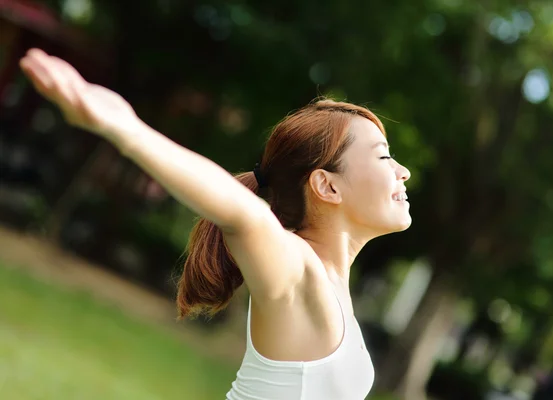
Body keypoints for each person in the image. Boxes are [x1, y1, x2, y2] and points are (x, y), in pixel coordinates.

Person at [19, 48, 412, 400]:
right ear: (326, 185)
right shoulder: (300, 272)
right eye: (383, 158)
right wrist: (125, 129)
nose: (404, 172)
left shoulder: (332, 287)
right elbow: (244, 215)